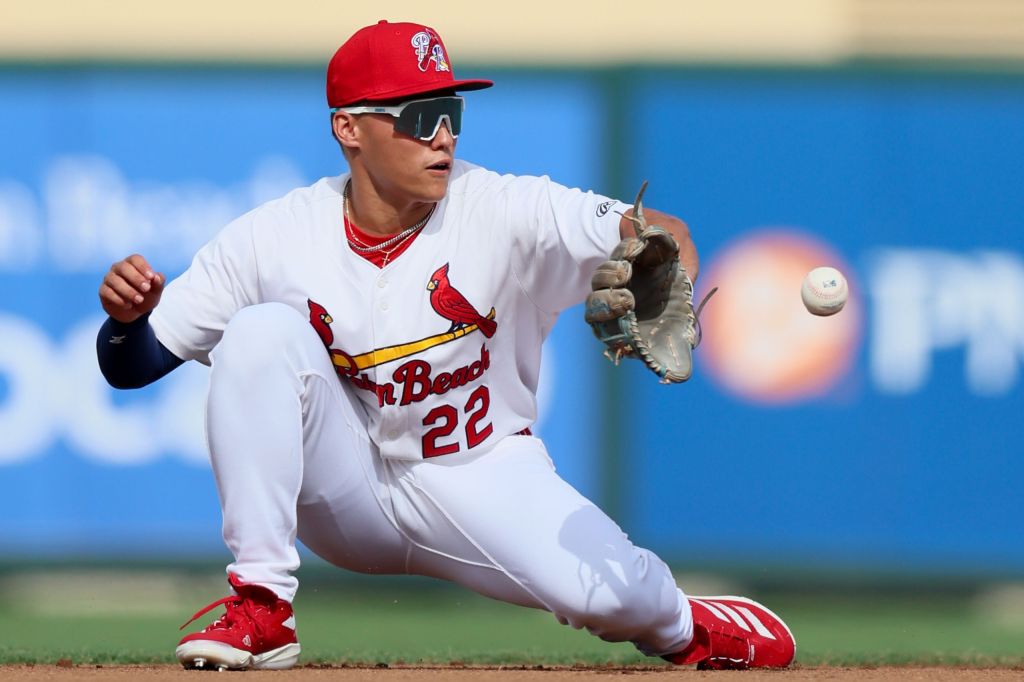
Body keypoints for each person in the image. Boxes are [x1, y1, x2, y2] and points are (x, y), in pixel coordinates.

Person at [96, 20, 795, 671]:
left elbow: (662, 231)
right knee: (260, 331)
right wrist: (126, 321)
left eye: (450, 113)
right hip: (346, 486)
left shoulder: (504, 208)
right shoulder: (274, 236)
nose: (441, 137)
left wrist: (664, 272)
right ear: (348, 128)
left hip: (480, 468)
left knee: (621, 600)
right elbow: (133, 365)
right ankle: (262, 605)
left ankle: (688, 624)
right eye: (417, 116)